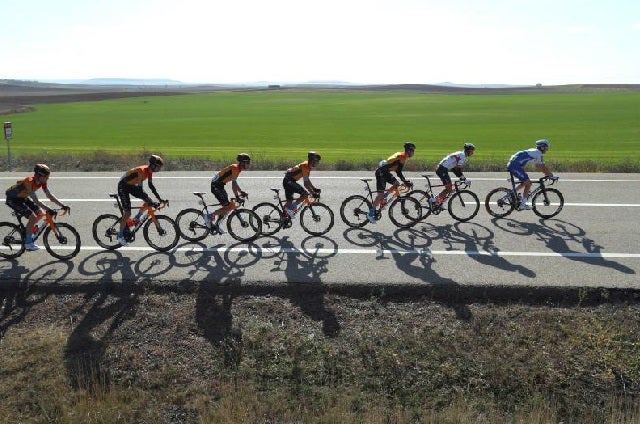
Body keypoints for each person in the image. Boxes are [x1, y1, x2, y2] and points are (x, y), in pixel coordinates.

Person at [5, 164, 70, 251]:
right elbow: (36, 200)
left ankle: (29, 230)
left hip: (23, 197)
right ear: (39, 176)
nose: (47, 179)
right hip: (13, 199)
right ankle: (28, 243)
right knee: (33, 217)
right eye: (46, 177)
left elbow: (49, 195)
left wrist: (62, 205)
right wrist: (48, 208)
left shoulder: (42, 182)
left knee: (41, 213)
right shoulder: (29, 181)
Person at [117, 154, 166, 246]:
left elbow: (151, 186)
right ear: (153, 165)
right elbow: (140, 190)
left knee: (148, 201)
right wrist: (151, 201)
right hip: (123, 186)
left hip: (130, 185)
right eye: (158, 167)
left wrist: (159, 198)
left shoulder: (149, 171)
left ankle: (136, 219)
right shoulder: (141, 171)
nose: (159, 169)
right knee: (127, 213)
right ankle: (120, 236)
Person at [367, 142, 416, 223]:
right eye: (413, 151)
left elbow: (397, 170)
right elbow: (398, 171)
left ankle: (384, 198)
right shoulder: (402, 156)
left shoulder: (403, 156)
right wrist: (405, 181)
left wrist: (404, 180)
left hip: (385, 172)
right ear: (409, 150)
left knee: (396, 184)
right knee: (380, 195)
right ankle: (370, 214)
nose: (413, 153)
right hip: (381, 172)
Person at [506, 139, 557, 210]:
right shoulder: (538, 153)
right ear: (542, 147)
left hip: (515, 165)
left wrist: (548, 174)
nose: (547, 150)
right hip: (515, 166)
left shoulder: (535, 152)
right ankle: (522, 204)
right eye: (546, 148)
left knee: (525, 182)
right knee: (528, 183)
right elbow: (542, 167)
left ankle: (510, 195)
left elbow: (538, 166)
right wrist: (552, 176)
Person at [207, 153, 251, 234]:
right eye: (248, 162)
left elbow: (235, 183)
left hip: (220, 186)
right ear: (242, 163)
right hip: (216, 186)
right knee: (227, 207)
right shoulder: (235, 168)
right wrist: (237, 196)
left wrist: (240, 191)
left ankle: (216, 225)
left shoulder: (238, 169)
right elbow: (233, 184)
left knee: (227, 207)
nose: (249, 164)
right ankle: (209, 216)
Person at [283, 151, 321, 218]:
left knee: (289, 202)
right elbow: (306, 184)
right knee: (305, 194)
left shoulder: (308, 166)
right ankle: (289, 210)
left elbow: (307, 180)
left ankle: (283, 218)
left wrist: (314, 189)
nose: (318, 163)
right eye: (317, 161)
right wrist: (313, 193)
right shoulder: (305, 166)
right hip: (289, 181)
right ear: (312, 161)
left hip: (289, 181)